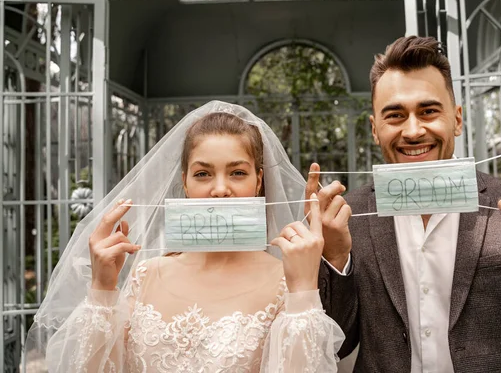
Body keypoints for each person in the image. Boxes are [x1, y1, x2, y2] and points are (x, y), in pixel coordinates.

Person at [309, 36, 501, 372]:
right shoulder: (348, 217)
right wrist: (333, 259)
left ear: (457, 119)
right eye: (395, 115)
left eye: (429, 111)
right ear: (375, 129)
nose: (414, 130)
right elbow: (335, 347)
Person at [25, 101, 344, 372]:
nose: (220, 190)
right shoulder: (146, 274)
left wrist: (303, 290)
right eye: (203, 174)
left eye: (237, 172)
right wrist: (102, 289)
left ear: (258, 181)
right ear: (185, 182)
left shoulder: (286, 282)